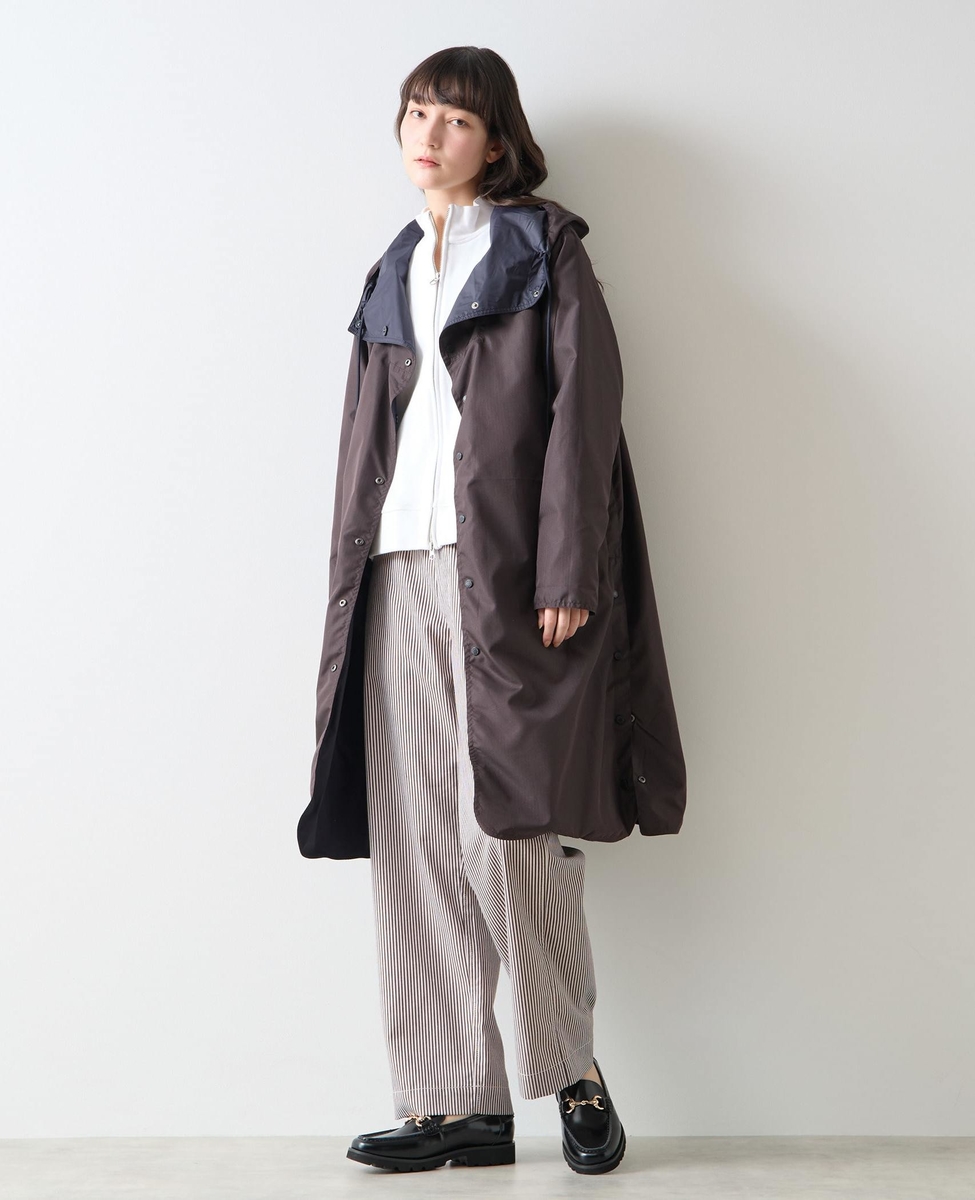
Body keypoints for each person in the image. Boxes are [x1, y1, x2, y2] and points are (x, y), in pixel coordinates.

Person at [300, 44, 687, 1176]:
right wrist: (348, 586)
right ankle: (450, 1102)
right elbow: (365, 441)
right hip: (396, 575)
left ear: (497, 141)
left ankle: (571, 1069)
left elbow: (585, 416)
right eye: (417, 113)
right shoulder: (390, 267)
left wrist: (567, 569)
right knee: (415, 843)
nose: (429, 136)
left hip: (507, 577)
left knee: (509, 838)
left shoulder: (542, 248)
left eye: (456, 120)